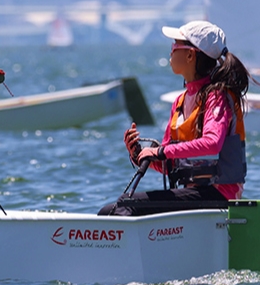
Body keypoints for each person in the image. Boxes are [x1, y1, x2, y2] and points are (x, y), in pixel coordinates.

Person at [98, 20, 249, 217]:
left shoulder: (217, 96)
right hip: (194, 195)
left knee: (127, 205)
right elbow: (168, 164)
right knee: (108, 210)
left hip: (220, 195)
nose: (170, 51)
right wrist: (139, 154)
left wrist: (160, 150)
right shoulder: (180, 101)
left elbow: (212, 144)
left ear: (189, 54)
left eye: (175, 45)